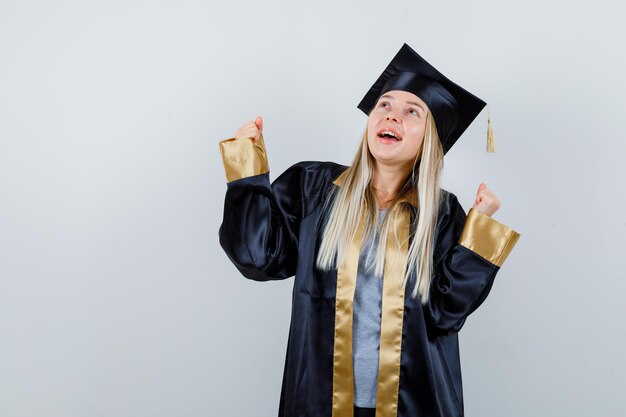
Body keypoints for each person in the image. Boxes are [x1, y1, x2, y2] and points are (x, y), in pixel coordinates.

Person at [217, 43, 521, 417]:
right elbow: (256, 257)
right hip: (319, 401)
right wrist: (247, 170)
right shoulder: (314, 188)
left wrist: (480, 232)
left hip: (413, 402)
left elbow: (445, 313)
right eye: (385, 105)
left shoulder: (441, 215)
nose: (392, 116)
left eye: (413, 112)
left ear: (431, 138)